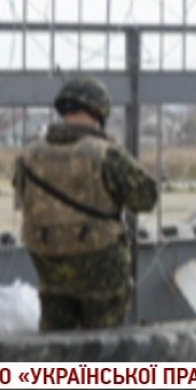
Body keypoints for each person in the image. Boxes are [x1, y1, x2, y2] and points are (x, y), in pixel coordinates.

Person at [13, 75, 157, 331]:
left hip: (49, 265)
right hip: (101, 265)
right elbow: (146, 198)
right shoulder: (105, 153)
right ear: (99, 110)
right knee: (104, 344)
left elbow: (23, 198)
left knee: (57, 341)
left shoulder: (29, 155)